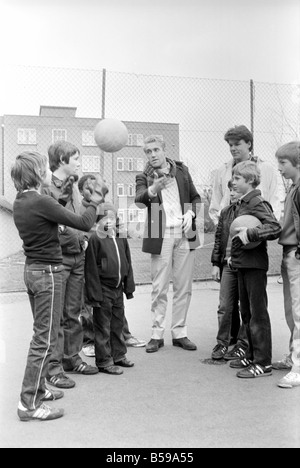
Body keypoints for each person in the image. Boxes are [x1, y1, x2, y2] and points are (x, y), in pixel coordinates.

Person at [11, 151, 104, 422]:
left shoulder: (22, 201)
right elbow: (84, 222)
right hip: (48, 273)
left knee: (44, 335)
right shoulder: (41, 201)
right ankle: (29, 404)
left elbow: (54, 209)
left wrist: (66, 191)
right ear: (39, 174)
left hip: (32, 271)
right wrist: (92, 201)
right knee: (44, 339)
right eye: (44, 169)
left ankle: (39, 390)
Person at [209, 124, 282, 345]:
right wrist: (229, 226)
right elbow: (216, 206)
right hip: (231, 240)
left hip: (253, 240)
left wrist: (253, 230)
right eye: (230, 145)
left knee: (249, 300)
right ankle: (230, 342)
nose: (233, 148)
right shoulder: (222, 171)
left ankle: (249, 343)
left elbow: (274, 208)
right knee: (228, 300)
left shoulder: (266, 170)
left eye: (237, 144)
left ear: (249, 143)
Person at [42, 142, 101, 390]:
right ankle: (53, 369)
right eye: (76, 157)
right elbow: (55, 227)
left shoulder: (75, 187)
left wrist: (85, 238)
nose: (79, 161)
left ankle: (71, 358)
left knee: (73, 313)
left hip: (78, 256)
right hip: (59, 259)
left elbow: (81, 220)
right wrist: (72, 237)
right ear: (63, 159)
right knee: (54, 317)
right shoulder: (46, 189)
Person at [135, 135, 201, 353]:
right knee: (159, 286)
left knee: (184, 286)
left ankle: (180, 332)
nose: (152, 155)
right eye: (148, 151)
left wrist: (191, 212)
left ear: (164, 150)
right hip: (159, 234)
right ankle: (157, 334)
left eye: (155, 150)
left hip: (185, 233)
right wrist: (153, 188)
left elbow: (195, 197)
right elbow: (140, 200)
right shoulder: (144, 176)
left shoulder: (181, 171)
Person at [77, 175, 146, 358]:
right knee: (90, 303)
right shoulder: (80, 208)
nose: (92, 191)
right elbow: (82, 230)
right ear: (81, 191)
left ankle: (123, 336)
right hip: (89, 259)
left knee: (115, 306)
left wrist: (117, 228)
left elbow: (116, 233)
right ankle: (91, 340)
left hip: (109, 262)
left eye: (95, 187)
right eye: (87, 188)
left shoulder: (106, 208)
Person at [228, 161, 282, 379]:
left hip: (255, 266)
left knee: (258, 314)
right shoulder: (242, 203)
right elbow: (235, 233)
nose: (233, 182)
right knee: (247, 313)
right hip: (242, 263)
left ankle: (263, 363)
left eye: (237, 178)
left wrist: (251, 234)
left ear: (249, 180)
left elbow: (274, 227)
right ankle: (250, 355)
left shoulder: (257, 201)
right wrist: (233, 255)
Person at [84, 203, 135, 375]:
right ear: (99, 220)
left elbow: (127, 262)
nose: (110, 221)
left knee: (117, 324)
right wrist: (94, 295)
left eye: (113, 218)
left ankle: (119, 355)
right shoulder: (95, 239)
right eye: (106, 218)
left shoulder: (121, 236)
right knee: (103, 326)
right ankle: (104, 361)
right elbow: (90, 269)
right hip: (103, 290)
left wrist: (128, 288)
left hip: (118, 288)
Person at [211, 180, 248, 361]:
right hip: (227, 265)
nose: (232, 194)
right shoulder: (225, 212)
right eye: (230, 190)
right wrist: (216, 264)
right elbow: (219, 239)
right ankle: (222, 343)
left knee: (244, 307)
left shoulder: (251, 212)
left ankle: (242, 344)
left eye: (235, 190)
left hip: (243, 265)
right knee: (224, 306)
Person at [273, 142, 300, 389]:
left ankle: (298, 368)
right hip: (288, 253)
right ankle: (293, 355)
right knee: (291, 312)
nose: (279, 167)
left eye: (283, 163)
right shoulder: (293, 188)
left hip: (297, 255)